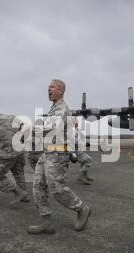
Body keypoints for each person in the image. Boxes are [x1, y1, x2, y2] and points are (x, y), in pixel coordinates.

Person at [28, 79, 91, 235]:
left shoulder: (62, 108)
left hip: (58, 154)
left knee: (56, 188)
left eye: (52, 87)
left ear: (61, 90)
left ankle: (81, 209)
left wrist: (32, 128)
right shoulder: (53, 109)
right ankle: (46, 221)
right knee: (38, 186)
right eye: (48, 86)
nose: (48, 89)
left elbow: (51, 128)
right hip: (47, 153)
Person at [0, 103, 28, 207]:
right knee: (19, 173)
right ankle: (24, 196)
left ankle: (19, 193)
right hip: (20, 152)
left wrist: (0, 142)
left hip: (6, 155)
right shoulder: (13, 117)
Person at [74, 119, 93, 185]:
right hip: (75, 150)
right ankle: (80, 176)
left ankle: (84, 175)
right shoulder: (71, 131)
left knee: (84, 161)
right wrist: (84, 144)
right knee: (89, 160)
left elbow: (79, 139)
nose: (77, 124)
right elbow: (74, 142)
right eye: (76, 123)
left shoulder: (76, 130)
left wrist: (85, 143)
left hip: (78, 149)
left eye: (77, 122)